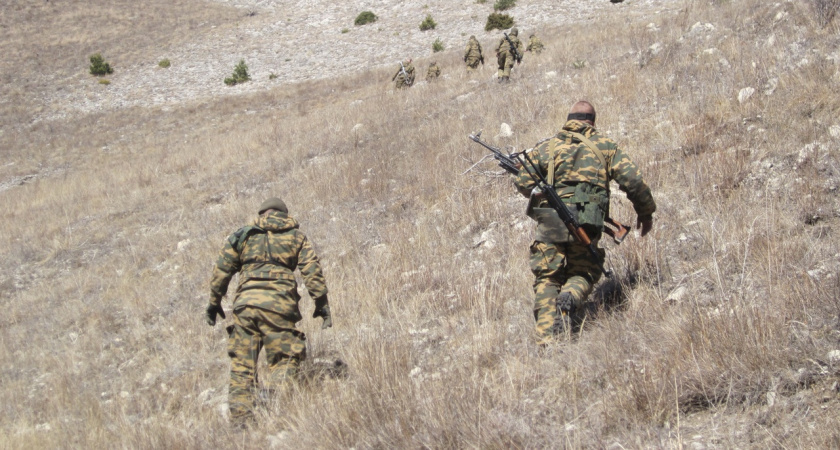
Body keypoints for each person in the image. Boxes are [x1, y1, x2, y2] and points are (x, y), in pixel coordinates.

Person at [512, 101, 656, 343]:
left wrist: (543, 190)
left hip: (550, 221)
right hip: (587, 220)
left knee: (547, 277)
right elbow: (633, 181)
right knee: (585, 270)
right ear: (592, 122)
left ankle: (548, 340)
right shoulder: (606, 147)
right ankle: (570, 295)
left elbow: (523, 183)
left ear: (568, 120)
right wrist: (645, 212)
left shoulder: (547, 147)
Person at [205, 197, 332, 426]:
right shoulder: (296, 237)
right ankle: (278, 413)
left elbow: (221, 270)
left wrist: (214, 302)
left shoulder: (243, 235)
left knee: (243, 366)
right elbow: (312, 272)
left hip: (245, 308)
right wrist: (321, 305)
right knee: (284, 359)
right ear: (284, 214)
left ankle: (242, 422)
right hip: (279, 307)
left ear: (262, 213)